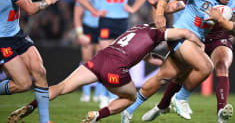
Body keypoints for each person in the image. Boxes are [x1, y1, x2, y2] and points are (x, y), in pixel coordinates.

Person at [6, 23, 204, 123]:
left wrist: (160, 61)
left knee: (62, 87)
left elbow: (145, 54)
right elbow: (184, 33)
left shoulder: (136, 30)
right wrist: (199, 44)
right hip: (115, 68)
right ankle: (97, 116)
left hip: (101, 58)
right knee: (130, 97)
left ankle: (31, 106)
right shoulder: (156, 33)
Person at [121, 0, 235, 123]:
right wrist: (159, 14)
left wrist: (222, 21)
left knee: (162, 77)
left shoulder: (232, 3)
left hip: (194, 42)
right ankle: (180, 98)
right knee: (206, 67)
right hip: (179, 36)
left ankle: (128, 110)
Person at [76, 0, 148, 106]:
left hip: (123, 21)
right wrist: (94, 11)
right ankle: (103, 96)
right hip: (106, 21)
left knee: (121, 61)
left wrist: (134, 8)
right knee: (106, 59)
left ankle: (113, 94)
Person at [0, 0, 59, 123]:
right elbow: (31, 9)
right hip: (3, 40)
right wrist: (48, 2)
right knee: (23, 84)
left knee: (40, 71)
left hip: (17, 34)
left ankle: (44, 121)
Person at [74, 0, 106, 103]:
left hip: (102, 27)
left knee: (100, 62)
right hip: (88, 28)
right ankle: (86, 93)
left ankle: (99, 94)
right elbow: (77, 15)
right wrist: (79, 34)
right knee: (86, 60)